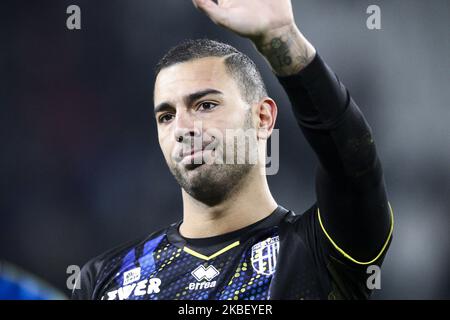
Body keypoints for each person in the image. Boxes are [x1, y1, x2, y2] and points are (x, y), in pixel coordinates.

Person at [72, 0, 393, 300]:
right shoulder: (104, 278)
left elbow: (353, 162)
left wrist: (283, 39)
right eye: (166, 116)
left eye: (206, 105)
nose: (183, 129)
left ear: (263, 117)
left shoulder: (322, 249)